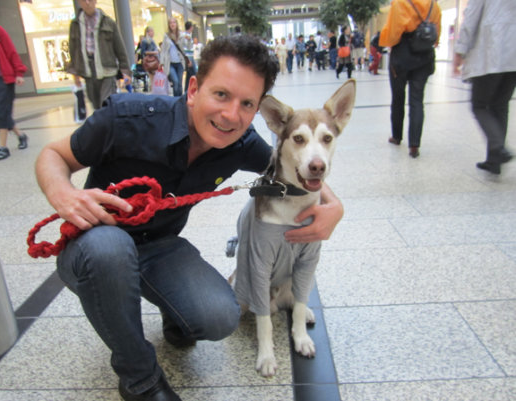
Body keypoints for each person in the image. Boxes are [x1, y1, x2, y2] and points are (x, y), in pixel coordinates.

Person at [34, 34, 344, 401]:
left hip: (160, 246)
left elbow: (286, 172)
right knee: (109, 251)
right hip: (97, 242)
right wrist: (63, 194)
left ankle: (174, 310)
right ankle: (140, 379)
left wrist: (334, 206)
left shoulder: (240, 143)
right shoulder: (126, 118)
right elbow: (54, 155)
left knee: (220, 316)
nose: (231, 114)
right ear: (194, 88)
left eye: (247, 103)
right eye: (221, 95)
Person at [453, 0, 516, 175]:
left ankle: (498, 147)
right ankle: (494, 161)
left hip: (492, 50)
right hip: (513, 56)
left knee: (479, 105)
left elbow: (471, 17)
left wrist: (460, 50)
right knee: (500, 106)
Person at [379, 0, 441, 158]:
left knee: (398, 97)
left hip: (402, 54)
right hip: (424, 55)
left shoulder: (400, 3)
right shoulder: (433, 4)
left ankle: (397, 136)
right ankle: (414, 145)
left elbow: (393, 33)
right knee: (417, 101)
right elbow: (436, 32)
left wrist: (385, 43)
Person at [0, 0, 28, 161]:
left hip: (4, 77)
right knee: (1, 111)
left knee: (1, 110)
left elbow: (11, 51)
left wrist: (19, 72)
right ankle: (21, 135)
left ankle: (3, 147)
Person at [67, 0, 130, 110]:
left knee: (107, 104)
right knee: (96, 106)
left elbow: (120, 48)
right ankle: (103, 126)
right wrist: (75, 74)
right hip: (88, 70)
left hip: (107, 69)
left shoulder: (108, 22)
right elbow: (73, 49)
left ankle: (108, 125)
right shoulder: (75, 24)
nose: (87, 3)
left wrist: (126, 71)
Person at [160, 17, 185, 96]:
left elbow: (185, 48)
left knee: (180, 84)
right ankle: (176, 100)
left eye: (174, 22)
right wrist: (161, 62)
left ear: (176, 24)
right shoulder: (166, 36)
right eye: (171, 23)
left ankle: (180, 100)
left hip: (180, 62)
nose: (172, 24)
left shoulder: (182, 35)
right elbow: (163, 50)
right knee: (175, 81)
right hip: (170, 63)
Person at [179, 21, 195, 92]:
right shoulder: (186, 36)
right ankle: (189, 90)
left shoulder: (187, 35)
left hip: (189, 55)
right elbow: (185, 48)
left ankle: (187, 90)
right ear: (191, 27)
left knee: (189, 74)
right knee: (193, 73)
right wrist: (188, 59)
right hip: (188, 56)